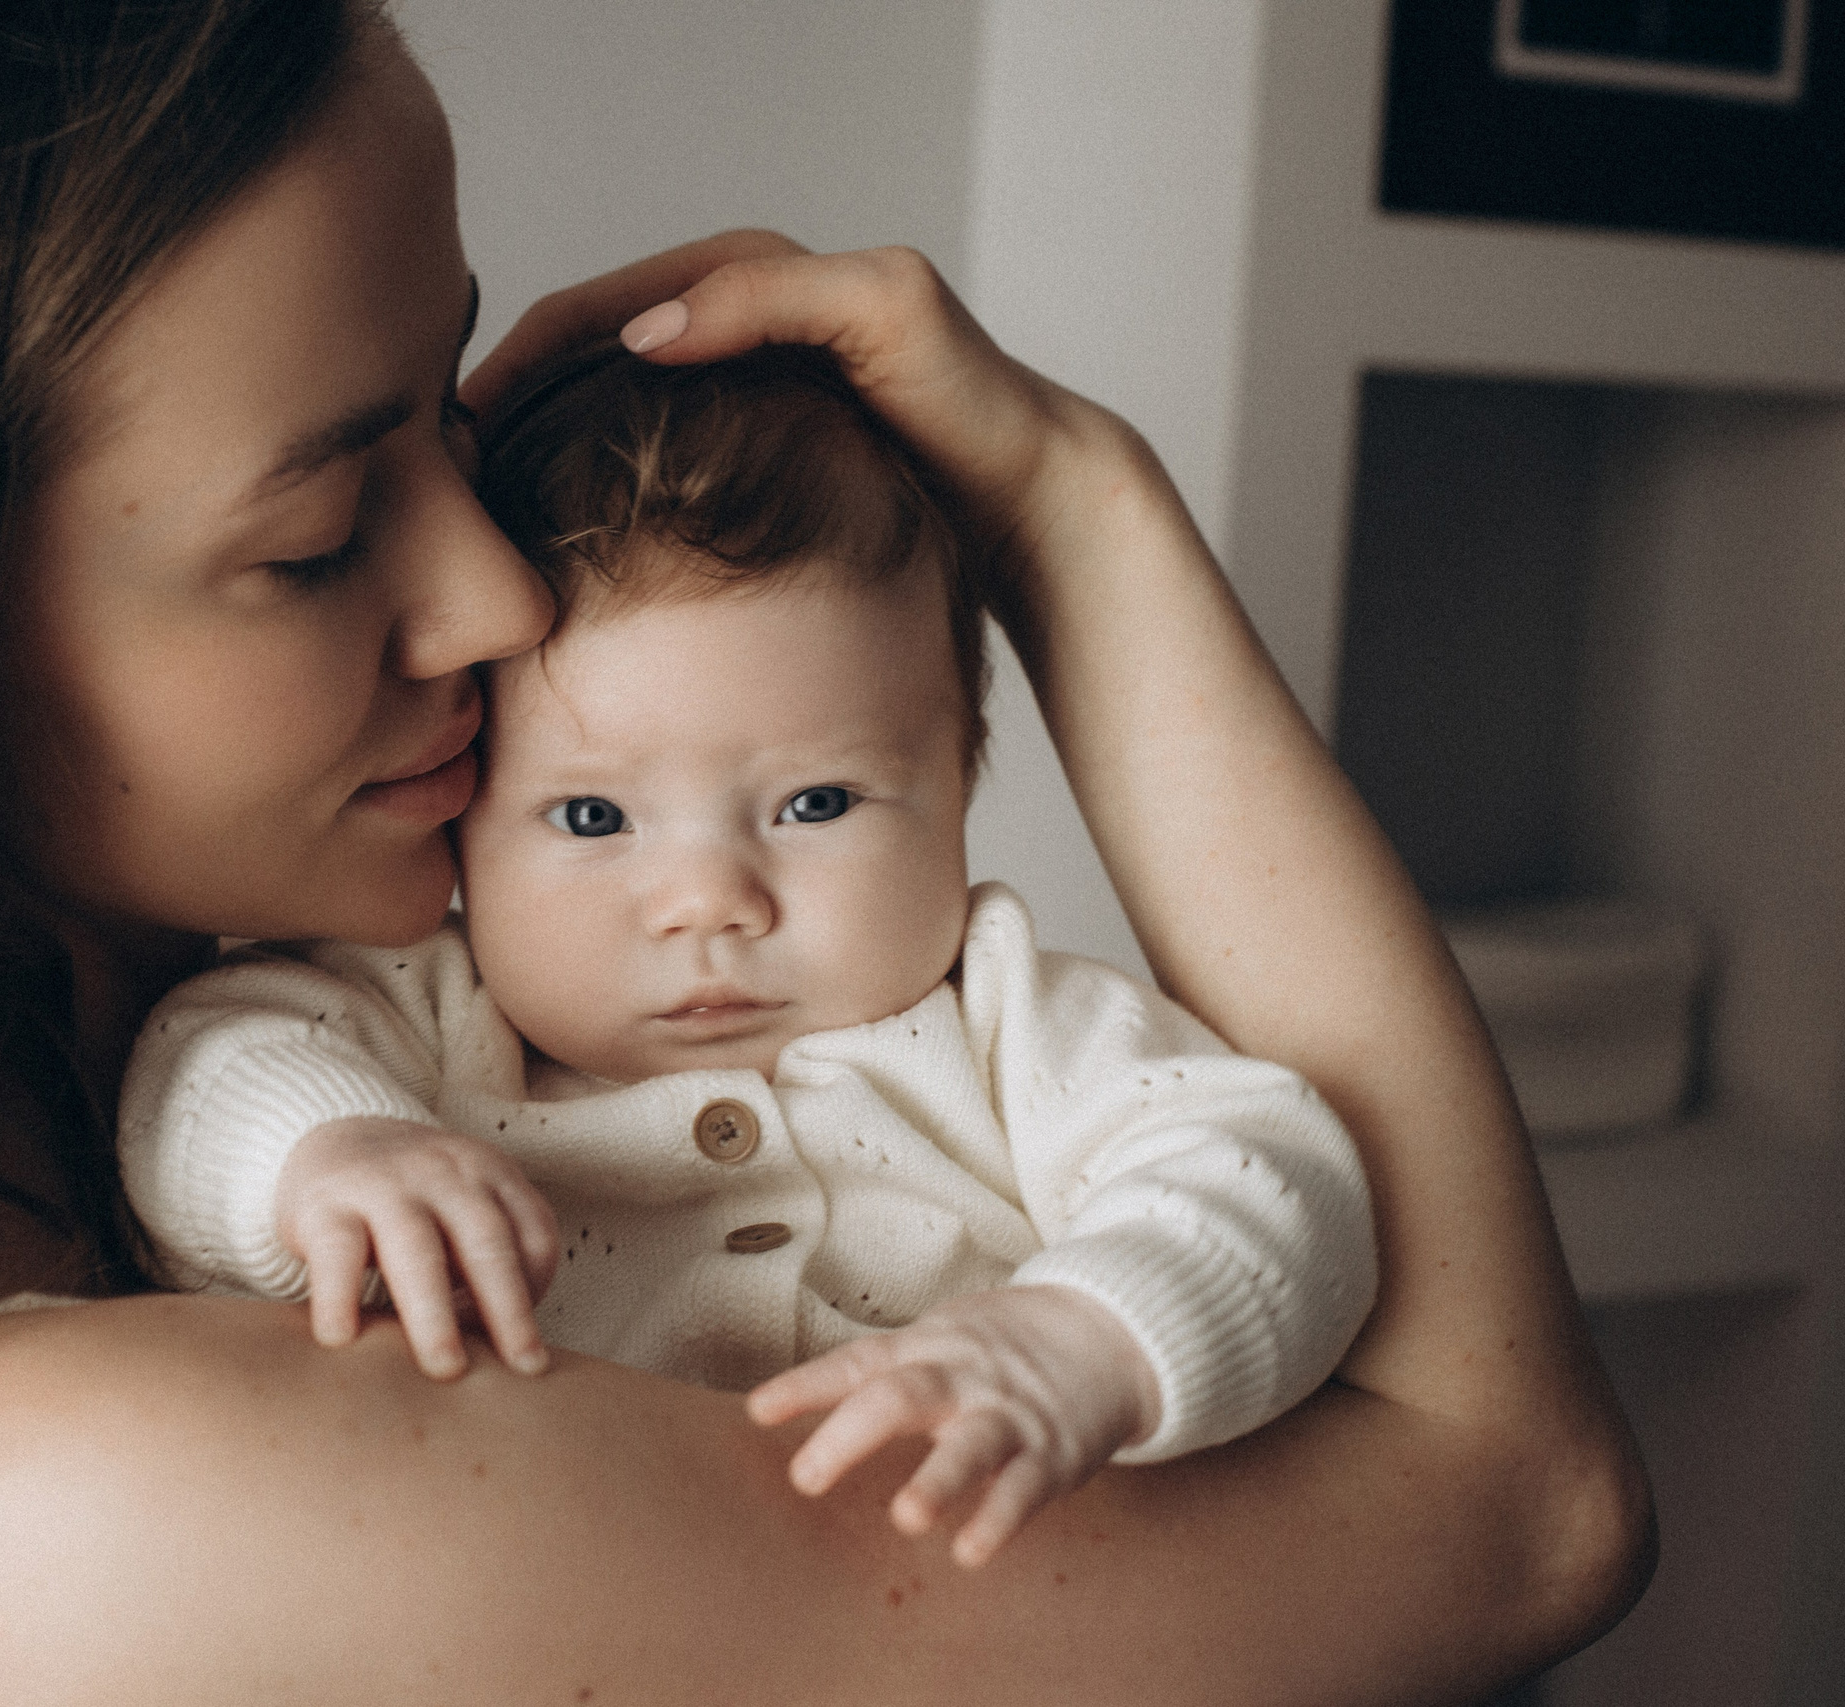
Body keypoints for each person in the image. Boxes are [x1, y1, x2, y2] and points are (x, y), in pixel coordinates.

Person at [0, 2, 1651, 1704]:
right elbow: (1511, 1500)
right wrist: (1067, 500)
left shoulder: (87, 1218)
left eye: (448, 412)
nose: (507, 596)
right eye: (320, 530)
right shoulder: (66, 1508)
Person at [117, 342, 1380, 1567]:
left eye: (817, 803)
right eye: (593, 819)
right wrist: (331, 1151)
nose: (709, 905)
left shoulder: (1010, 1026)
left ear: (959, 781)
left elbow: (1271, 1175)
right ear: (464, 814)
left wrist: (1082, 1338)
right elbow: (207, 1053)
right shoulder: (427, 1017)